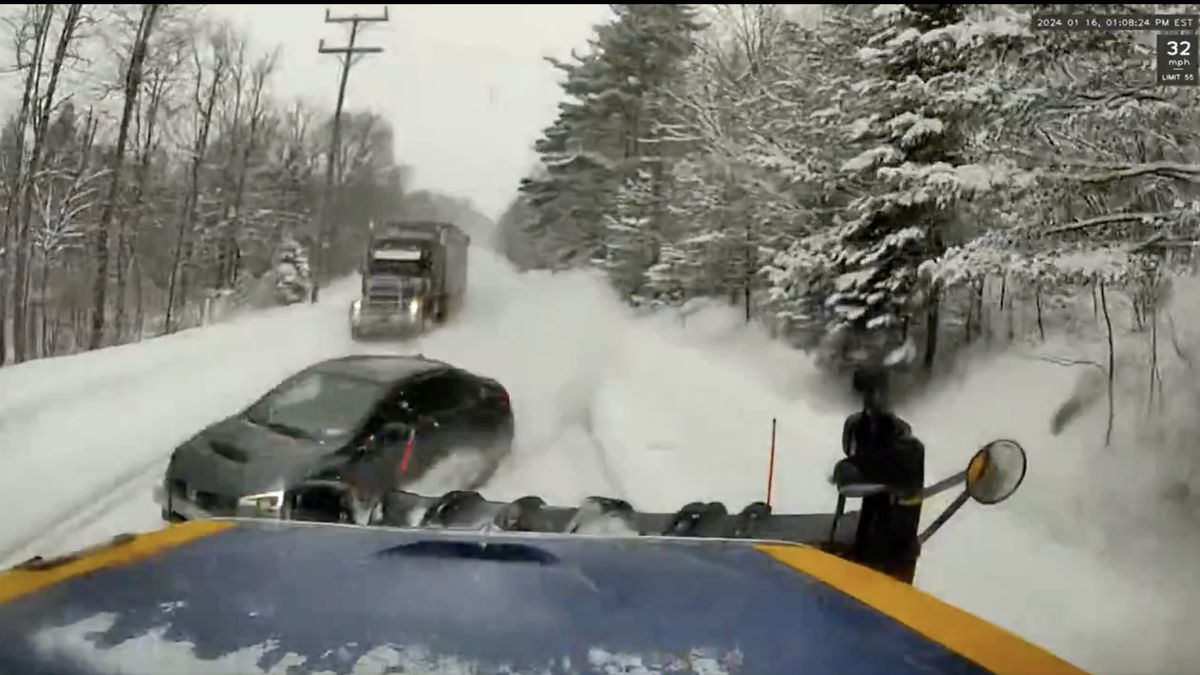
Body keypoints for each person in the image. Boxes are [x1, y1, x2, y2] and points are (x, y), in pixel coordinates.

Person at [831, 367, 926, 584]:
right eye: (867, 394)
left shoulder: (907, 447)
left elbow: (870, 470)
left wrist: (853, 469)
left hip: (894, 557)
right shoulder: (859, 427)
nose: (872, 400)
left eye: (877, 393)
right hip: (865, 543)